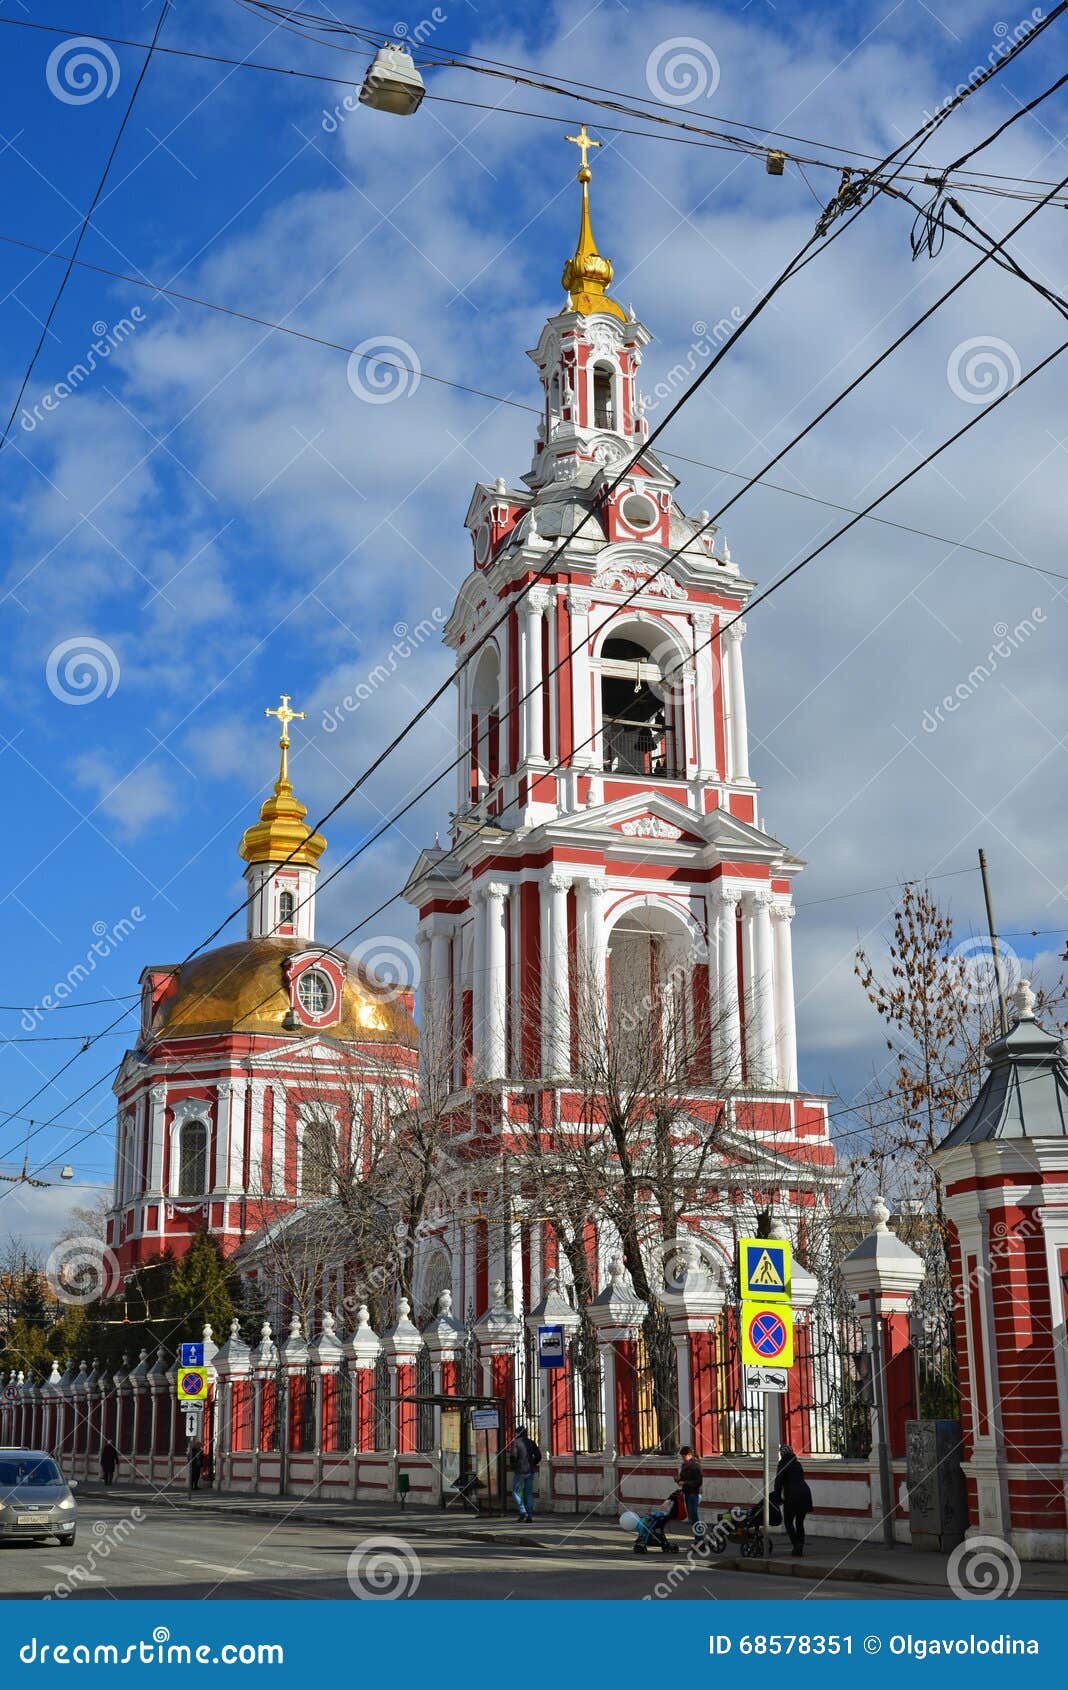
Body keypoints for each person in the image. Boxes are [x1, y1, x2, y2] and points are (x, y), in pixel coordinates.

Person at [770, 1444, 813, 1556]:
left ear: (782, 1454)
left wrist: (778, 1498)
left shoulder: (782, 1464)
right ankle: (800, 1545)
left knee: (788, 1522)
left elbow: (778, 1483)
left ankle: (796, 1545)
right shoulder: (797, 1464)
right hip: (805, 1494)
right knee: (799, 1522)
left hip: (792, 1496)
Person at [508, 1425, 541, 1522]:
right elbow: (538, 1456)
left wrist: (514, 1466)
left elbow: (513, 1456)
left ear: (518, 1433)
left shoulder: (516, 1443)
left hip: (520, 1471)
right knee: (528, 1493)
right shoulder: (531, 1442)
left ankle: (522, 1510)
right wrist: (532, 1463)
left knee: (515, 1491)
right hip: (530, 1470)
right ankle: (529, 1516)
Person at [676, 1446, 704, 1540]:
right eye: (682, 1457)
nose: (683, 1459)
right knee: (692, 1518)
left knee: (694, 1517)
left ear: (689, 1455)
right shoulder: (684, 1465)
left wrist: (684, 1482)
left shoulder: (695, 1466)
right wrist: (678, 1479)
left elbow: (698, 1482)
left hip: (694, 1493)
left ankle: (699, 1539)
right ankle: (698, 1539)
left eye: (684, 1456)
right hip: (687, 1492)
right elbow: (683, 1478)